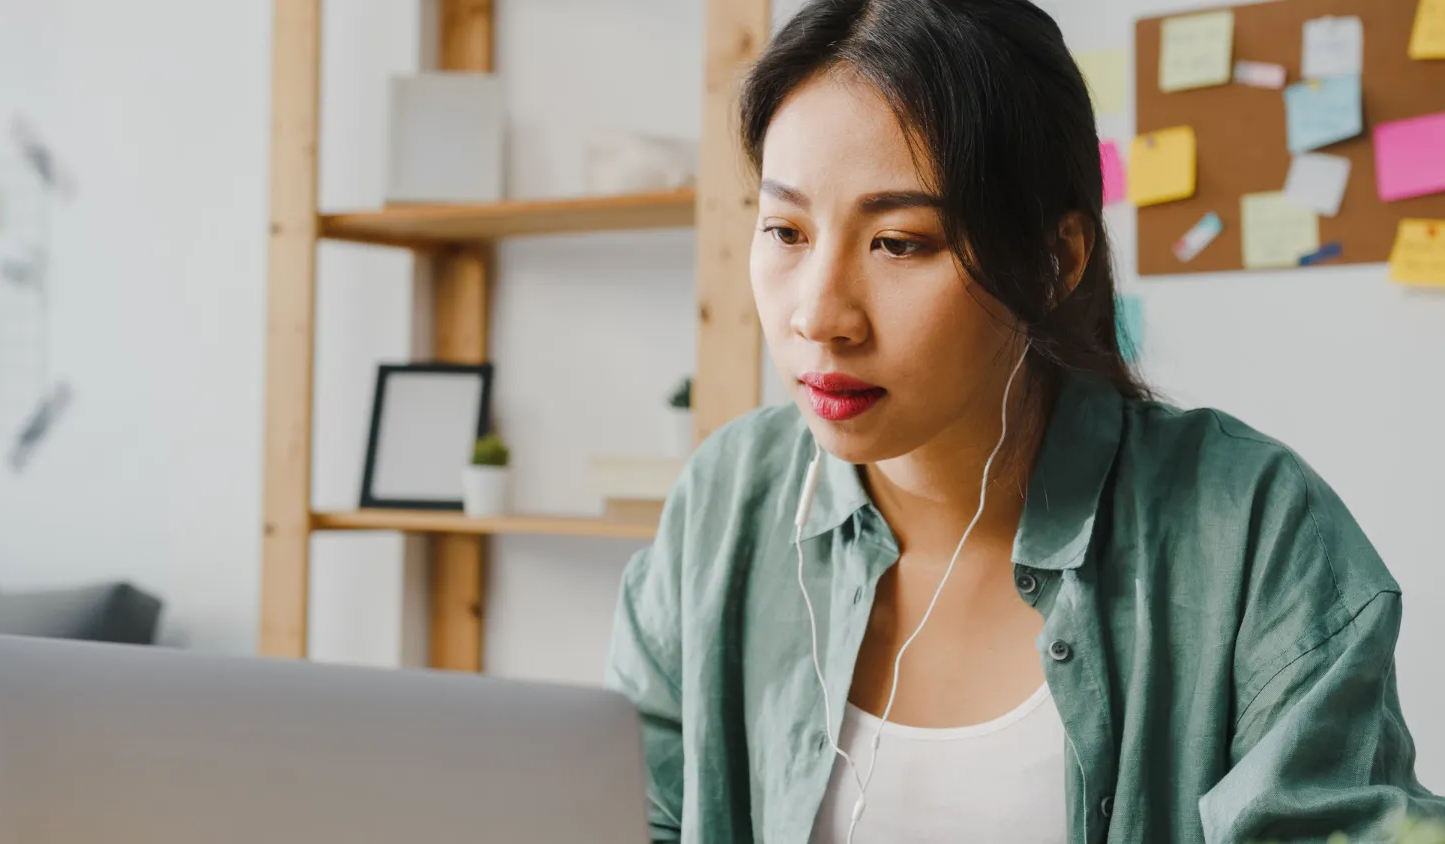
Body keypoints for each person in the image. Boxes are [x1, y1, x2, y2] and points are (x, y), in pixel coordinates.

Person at [604, 1, 1445, 842]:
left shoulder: (1251, 530)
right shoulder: (725, 502)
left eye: (899, 242)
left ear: (1055, 261)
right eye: (785, 230)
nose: (820, 316)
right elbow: (617, 811)